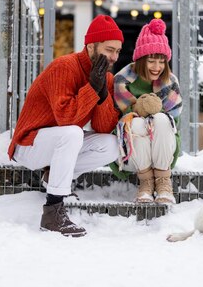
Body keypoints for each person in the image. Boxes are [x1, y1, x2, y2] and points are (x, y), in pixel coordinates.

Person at [8, 15, 123, 237]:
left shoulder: (105, 79)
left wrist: (101, 94)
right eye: (109, 49)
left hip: (59, 142)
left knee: (111, 144)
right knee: (72, 133)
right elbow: (65, 117)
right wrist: (91, 87)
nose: (114, 57)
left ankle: (53, 176)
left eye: (117, 51)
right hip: (29, 144)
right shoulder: (64, 67)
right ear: (91, 45)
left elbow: (103, 126)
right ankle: (53, 212)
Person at [111, 19, 182, 204]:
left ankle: (163, 181)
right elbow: (118, 125)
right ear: (141, 60)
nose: (157, 67)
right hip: (131, 150)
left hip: (163, 148)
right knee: (133, 122)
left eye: (162, 61)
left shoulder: (170, 83)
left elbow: (174, 125)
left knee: (161, 119)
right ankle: (146, 183)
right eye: (151, 61)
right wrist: (138, 111)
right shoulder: (122, 81)